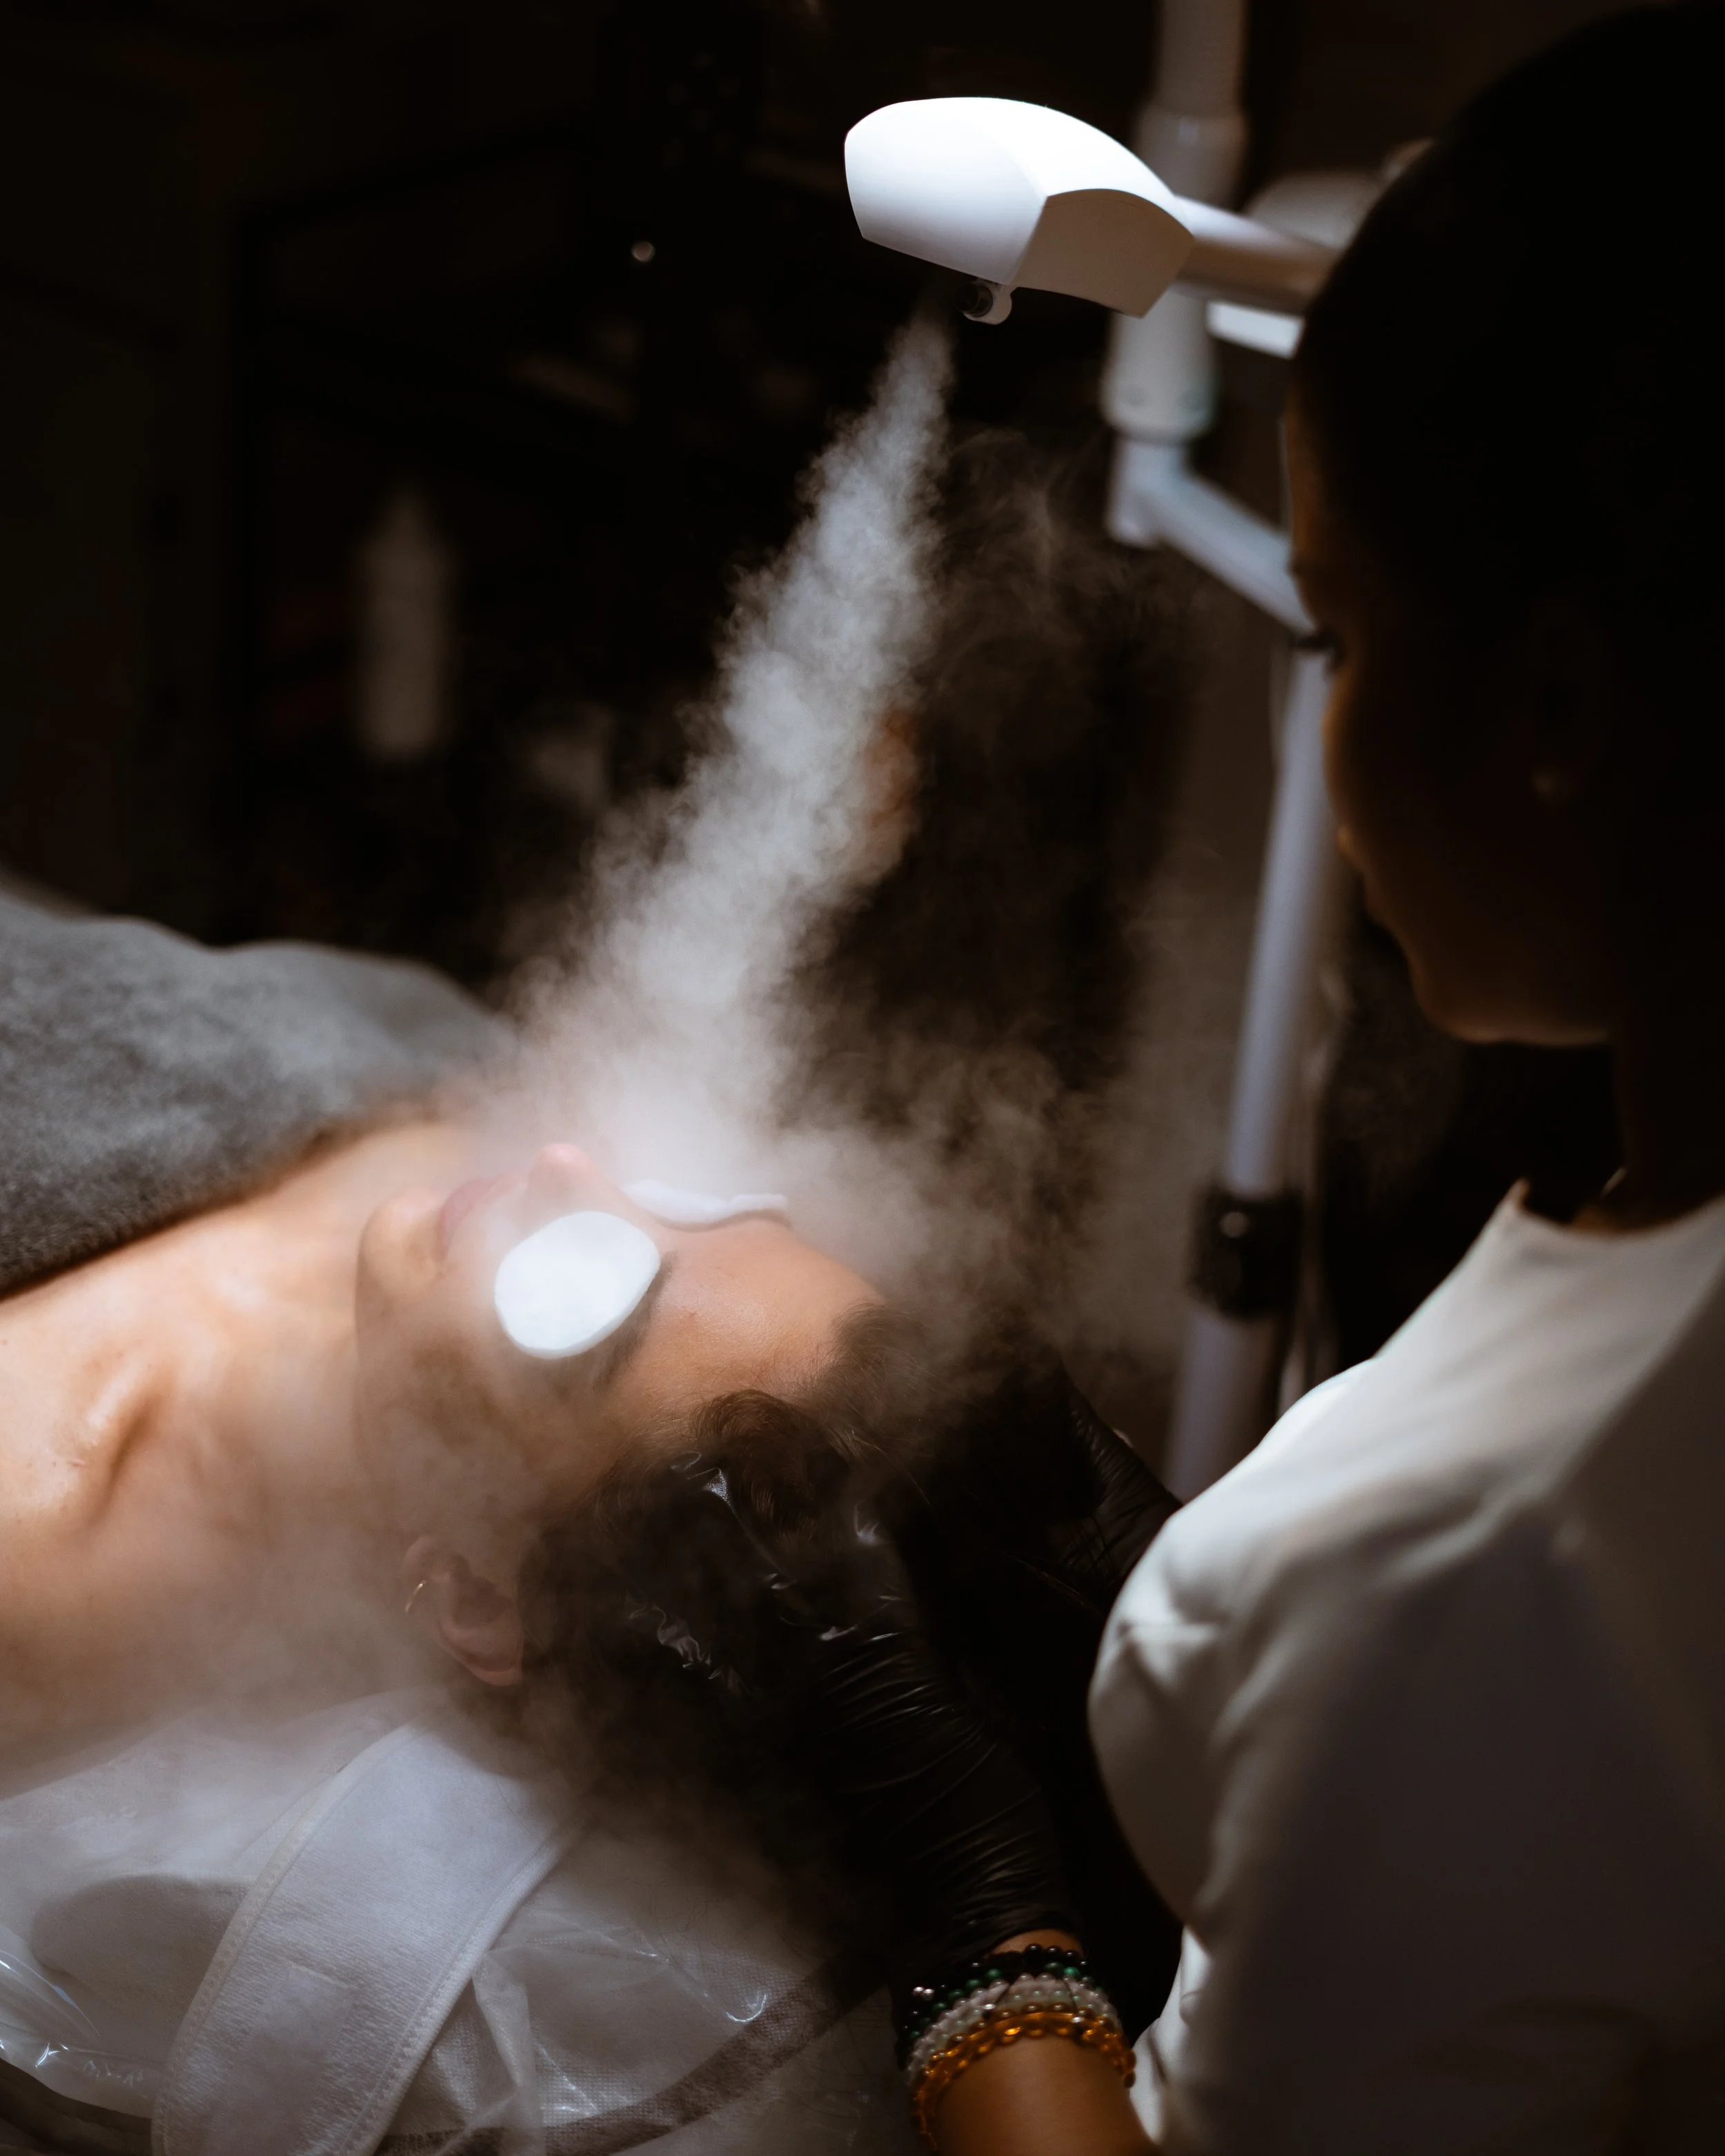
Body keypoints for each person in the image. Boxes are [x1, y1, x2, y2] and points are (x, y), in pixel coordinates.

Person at [816, 7, 1725, 2149]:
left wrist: (970, 1887)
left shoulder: (1471, 1556)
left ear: (1556, 701)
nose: (1322, 714)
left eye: (1332, 627)